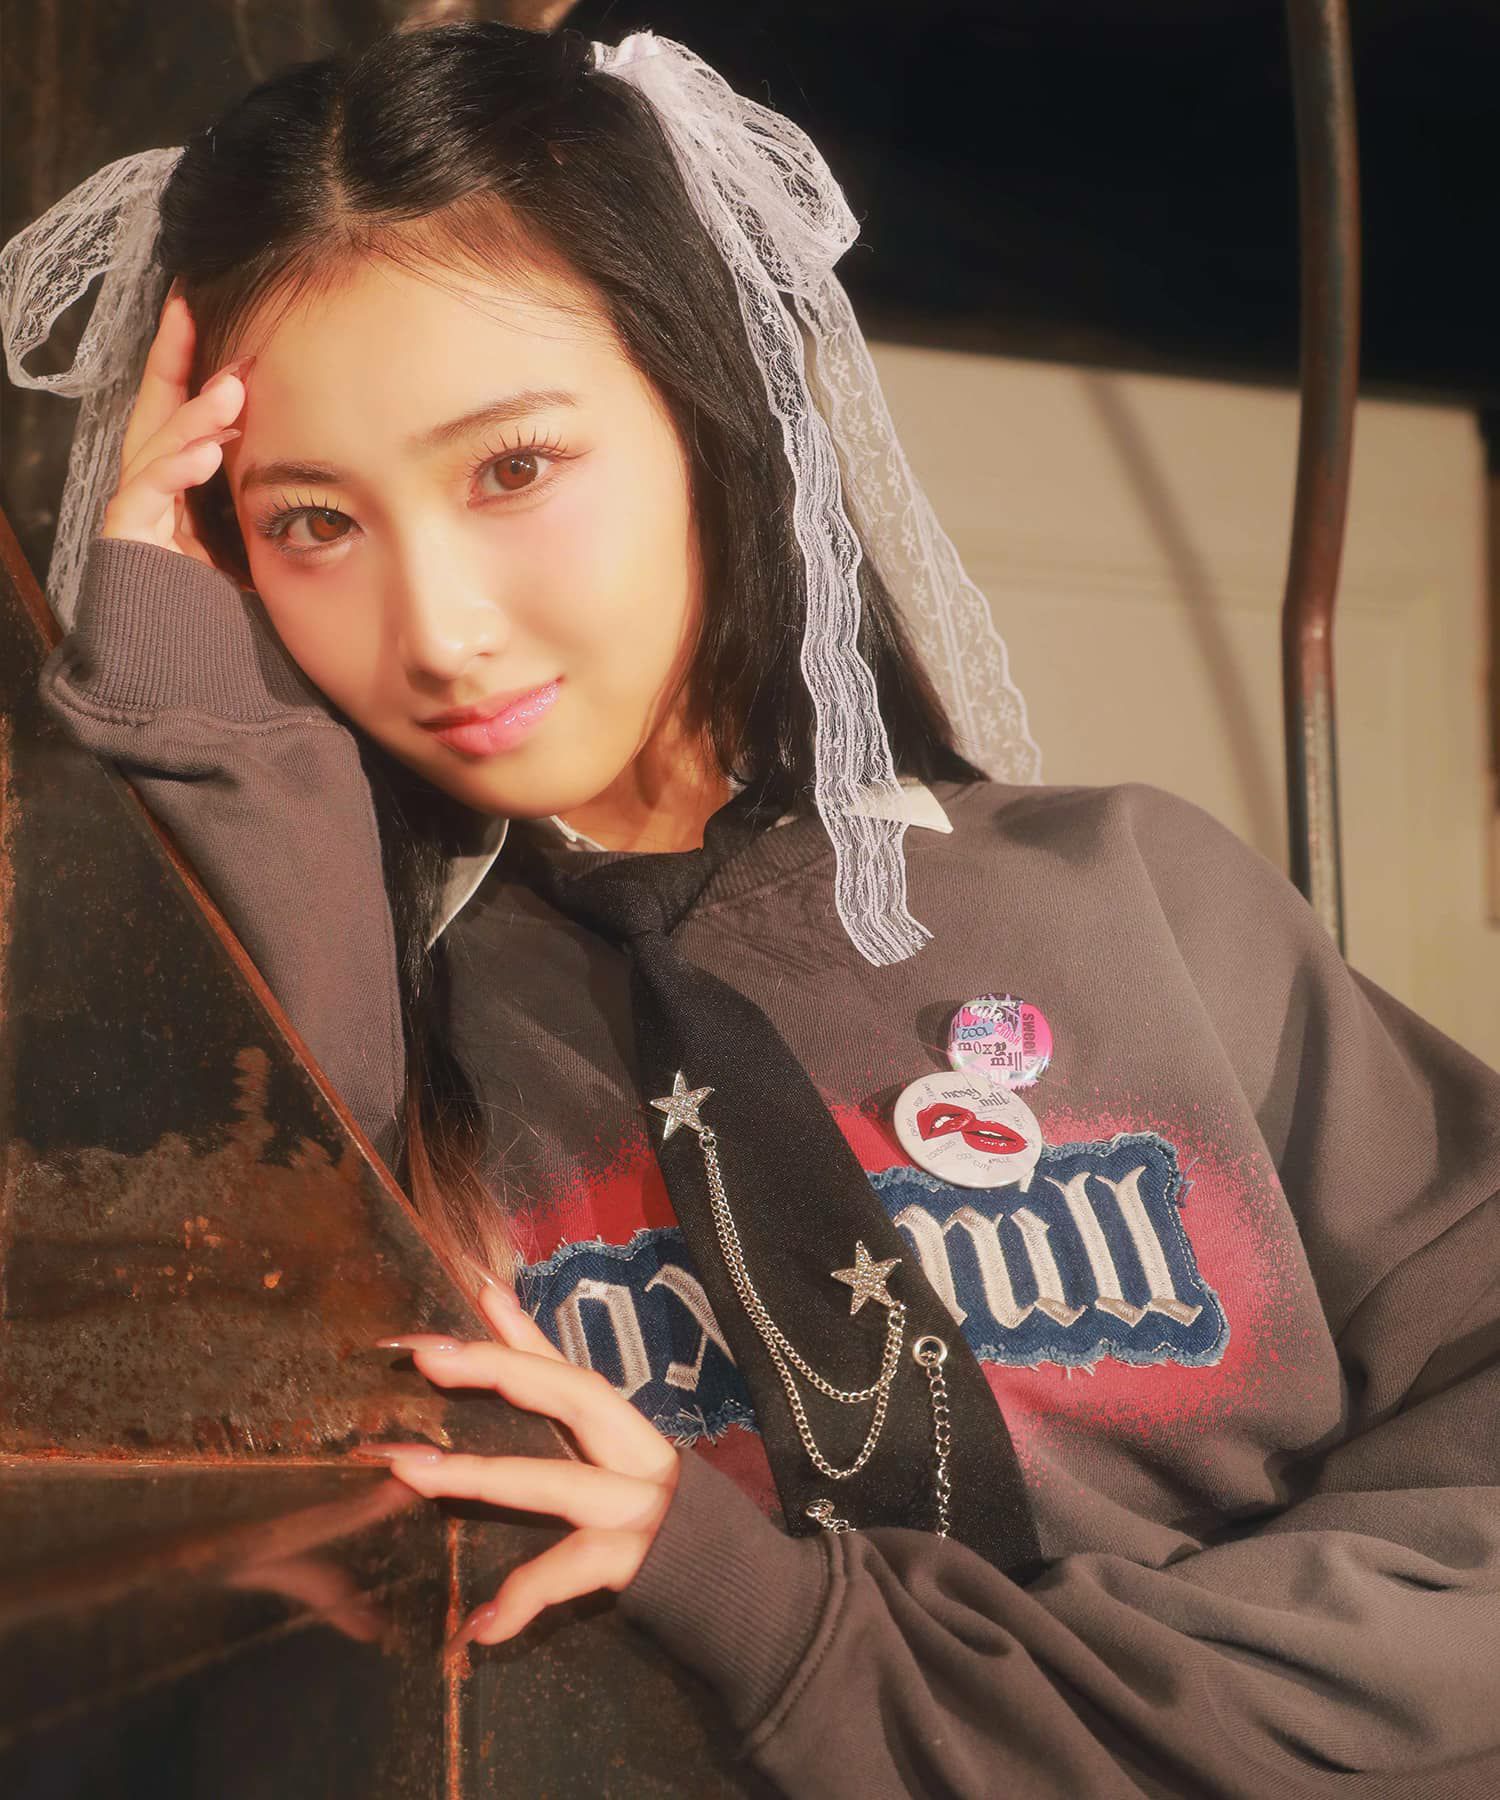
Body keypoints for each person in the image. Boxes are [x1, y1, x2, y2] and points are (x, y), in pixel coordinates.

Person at [7, 20, 1498, 1798]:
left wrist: (824, 1636)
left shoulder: (1132, 899)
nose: (442, 630)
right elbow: (218, 1415)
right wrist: (208, 719)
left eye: (513, 468)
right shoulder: (391, 1038)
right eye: (312, 521)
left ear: (711, 413)